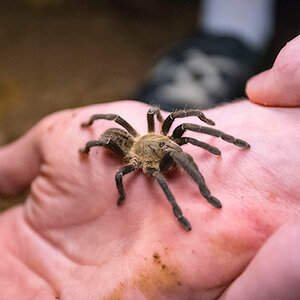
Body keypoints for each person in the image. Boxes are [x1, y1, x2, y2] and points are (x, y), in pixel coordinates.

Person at [0, 34, 299, 299]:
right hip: (135, 149)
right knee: (134, 142)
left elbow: (178, 127)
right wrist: (89, 145)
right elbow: (120, 171)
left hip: (149, 138)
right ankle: (192, 203)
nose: (172, 147)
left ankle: (225, 135)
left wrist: (218, 134)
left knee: (177, 123)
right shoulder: (140, 164)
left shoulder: (166, 135)